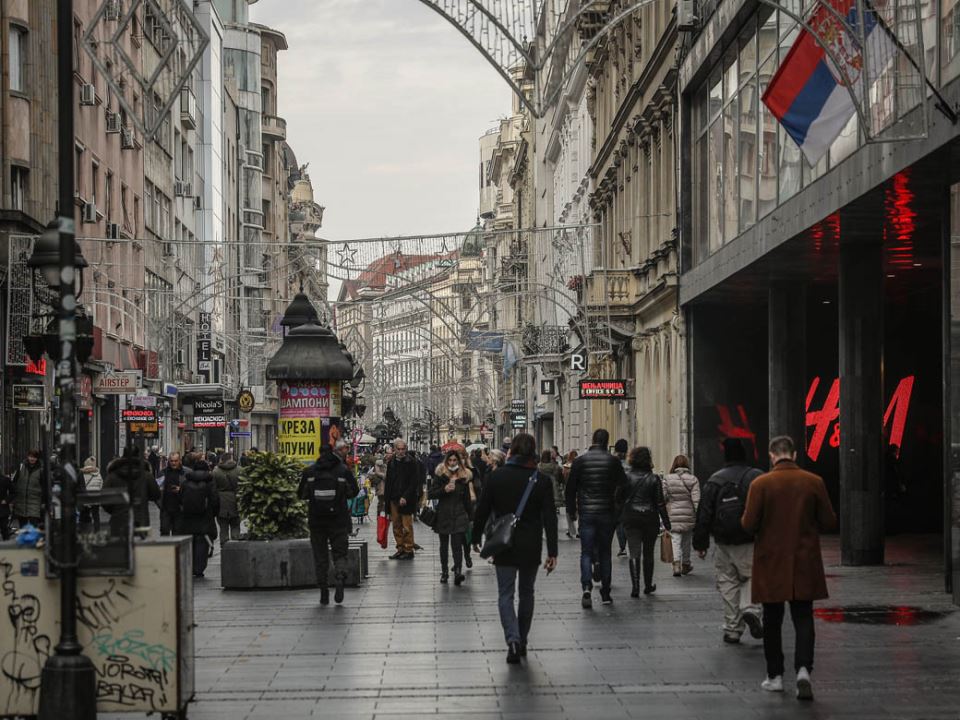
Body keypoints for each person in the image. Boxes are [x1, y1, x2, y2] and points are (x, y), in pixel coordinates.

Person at [742, 435, 837, 700]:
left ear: (772, 456)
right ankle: (804, 670)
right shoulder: (813, 482)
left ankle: (775, 676)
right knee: (804, 617)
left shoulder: (760, 484)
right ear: (793, 454)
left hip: (771, 562)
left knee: (772, 621)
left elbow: (748, 524)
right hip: (804, 560)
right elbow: (829, 521)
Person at [472, 433, 558, 664]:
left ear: (511, 452)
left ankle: (512, 639)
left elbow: (482, 509)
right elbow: (550, 518)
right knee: (527, 593)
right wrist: (553, 551)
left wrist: (474, 536)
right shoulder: (541, 480)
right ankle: (522, 640)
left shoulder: (497, 477)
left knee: (505, 594)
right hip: (530, 544)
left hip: (504, 542)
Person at [693, 438, 764, 644]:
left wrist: (701, 544)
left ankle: (732, 628)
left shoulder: (715, 480)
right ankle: (750, 608)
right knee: (752, 576)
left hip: (723, 541)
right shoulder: (756, 477)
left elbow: (704, 514)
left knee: (727, 583)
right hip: (750, 539)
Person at [565, 429, 627, 607]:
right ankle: (606, 592)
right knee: (605, 552)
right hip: (607, 512)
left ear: (592, 440)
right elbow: (624, 484)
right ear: (607, 442)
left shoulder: (580, 461)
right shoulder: (613, 461)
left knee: (586, 551)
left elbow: (571, 489)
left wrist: (571, 510)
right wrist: (617, 505)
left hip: (587, 513)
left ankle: (586, 586)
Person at [298, 444, 359, 604]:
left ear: (319, 454)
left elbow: (301, 494)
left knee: (320, 556)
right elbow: (354, 490)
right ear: (333, 453)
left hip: (316, 520)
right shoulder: (342, 470)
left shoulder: (310, 472)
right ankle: (339, 576)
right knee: (340, 553)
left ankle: (323, 589)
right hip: (338, 519)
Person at [619, 447, 671, 597]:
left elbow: (619, 497)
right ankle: (648, 585)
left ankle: (635, 587)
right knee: (648, 553)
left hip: (631, 517)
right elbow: (660, 503)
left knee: (634, 551)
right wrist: (667, 523)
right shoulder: (654, 478)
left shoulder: (626, 477)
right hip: (650, 518)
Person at [428, 450, 473, 585]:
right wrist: (444, 490)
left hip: (459, 514)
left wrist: (471, 517)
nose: (453, 463)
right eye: (450, 460)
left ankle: (458, 571)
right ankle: (445, 572)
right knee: (444, 546)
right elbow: (431, 494)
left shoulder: (463, 478)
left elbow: (467, 500)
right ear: (446, 462)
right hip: (444, 514)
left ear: (459, 462)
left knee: (457, 545)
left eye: (455, 460)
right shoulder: (440, 476)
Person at [104, 444, 161, 537]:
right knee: (139, 549)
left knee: (121, 548)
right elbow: (156, 494)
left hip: (119, 520)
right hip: (141, 521)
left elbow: (105, 500)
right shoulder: (146, 475)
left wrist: (116, 510)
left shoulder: (112, 476)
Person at [177, 459, 219, 578]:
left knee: (191, 541)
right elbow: (215, 500)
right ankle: (199, 569)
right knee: (202, 542)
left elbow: (180, 499)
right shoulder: (210, 483)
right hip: (205, 517)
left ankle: (190, 567)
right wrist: (213, 513)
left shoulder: (185, 482)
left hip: (188, 518)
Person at [384, 438, 423, 559]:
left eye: (403, 449)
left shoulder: (411, 462)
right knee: (396, 525)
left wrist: (405, 496)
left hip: (406, 499)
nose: (401, 451)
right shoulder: (391, 463)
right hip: (393, 498)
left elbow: (414, 482)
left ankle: (408, 548)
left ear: (405, 449)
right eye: (398, 449)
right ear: (394, 449)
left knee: (406, 525)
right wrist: (387, 499)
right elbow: (389, 482)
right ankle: (400, 548)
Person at [661, 455, 701, 577]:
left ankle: (676, 565)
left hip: (673, 514)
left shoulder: (667, 479)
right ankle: (686, 564)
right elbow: (696, 500)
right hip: (688, 514)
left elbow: (663, 497)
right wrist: (698, 515)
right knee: (687, 541)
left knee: (675, 540)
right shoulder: (693, 479)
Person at [213, 452, 242, 546]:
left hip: (221, 503)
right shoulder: (239, 470)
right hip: (236, 501)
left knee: (223, 527)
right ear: (231, 459)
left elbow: (213, 489)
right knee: (235, 525)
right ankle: (236, 545)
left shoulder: (216, 472)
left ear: (222, 460)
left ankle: (224, 546)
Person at [159, 452, 190, 536]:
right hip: (166, 508)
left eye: (176, 461)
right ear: (168, 461)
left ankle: (176, 549)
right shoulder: (163, 473)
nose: (173, 463)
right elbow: (157, 490)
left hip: (180, 508)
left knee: (178, 533)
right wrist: (160, 505)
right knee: (164, 531)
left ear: (180, 460)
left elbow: (191, 489)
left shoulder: (186, 473)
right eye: (171, 461)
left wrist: (181, 490)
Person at [13, 450, 45, 528]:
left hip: (35, 502)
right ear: (27, 457)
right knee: (22, 527)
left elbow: (44, 486)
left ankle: (33, 540)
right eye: (31, 456)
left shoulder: (41, 470)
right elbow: (14, 482)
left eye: (34, 457)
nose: (32, 459)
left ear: (37, 458)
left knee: (33, 527)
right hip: (21, 502)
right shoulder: (21, 467)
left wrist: (43, 501)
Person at [613, 439, 630, 557]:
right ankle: (628, 543)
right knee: (628, 521)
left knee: (618, 522)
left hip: (616, 496)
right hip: (629, 496)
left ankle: (622, 546)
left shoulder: (613, 464)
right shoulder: (631, 465)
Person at [80, 457, 104, 532]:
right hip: (95, 497)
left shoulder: (82, 474)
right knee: (96, 516)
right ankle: (97, 531)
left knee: (85, 515)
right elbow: (101, 485)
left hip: (86, 497)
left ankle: (86, 531)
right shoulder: (98, 474)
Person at [537, 450, 563, 514]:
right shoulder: (554, 466)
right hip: (552, 482)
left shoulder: (539, 465)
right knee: (553, 495)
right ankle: (555, 508)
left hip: (541, 482)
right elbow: (558, 473)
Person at [561, 450, 578, 538]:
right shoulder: (578, 466)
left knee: (569, 510)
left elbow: (563, 478)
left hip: (568, 490)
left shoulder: (566, 466)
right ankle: (578, 531)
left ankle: (571, 530)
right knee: (577, 509)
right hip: (577, 490)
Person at [0, 470, 14, 540]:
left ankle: (6, 543)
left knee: (4, 529)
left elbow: (13, 492)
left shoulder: (5, 480)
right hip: (3, 509)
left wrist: (6, 500)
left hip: (2, 509)